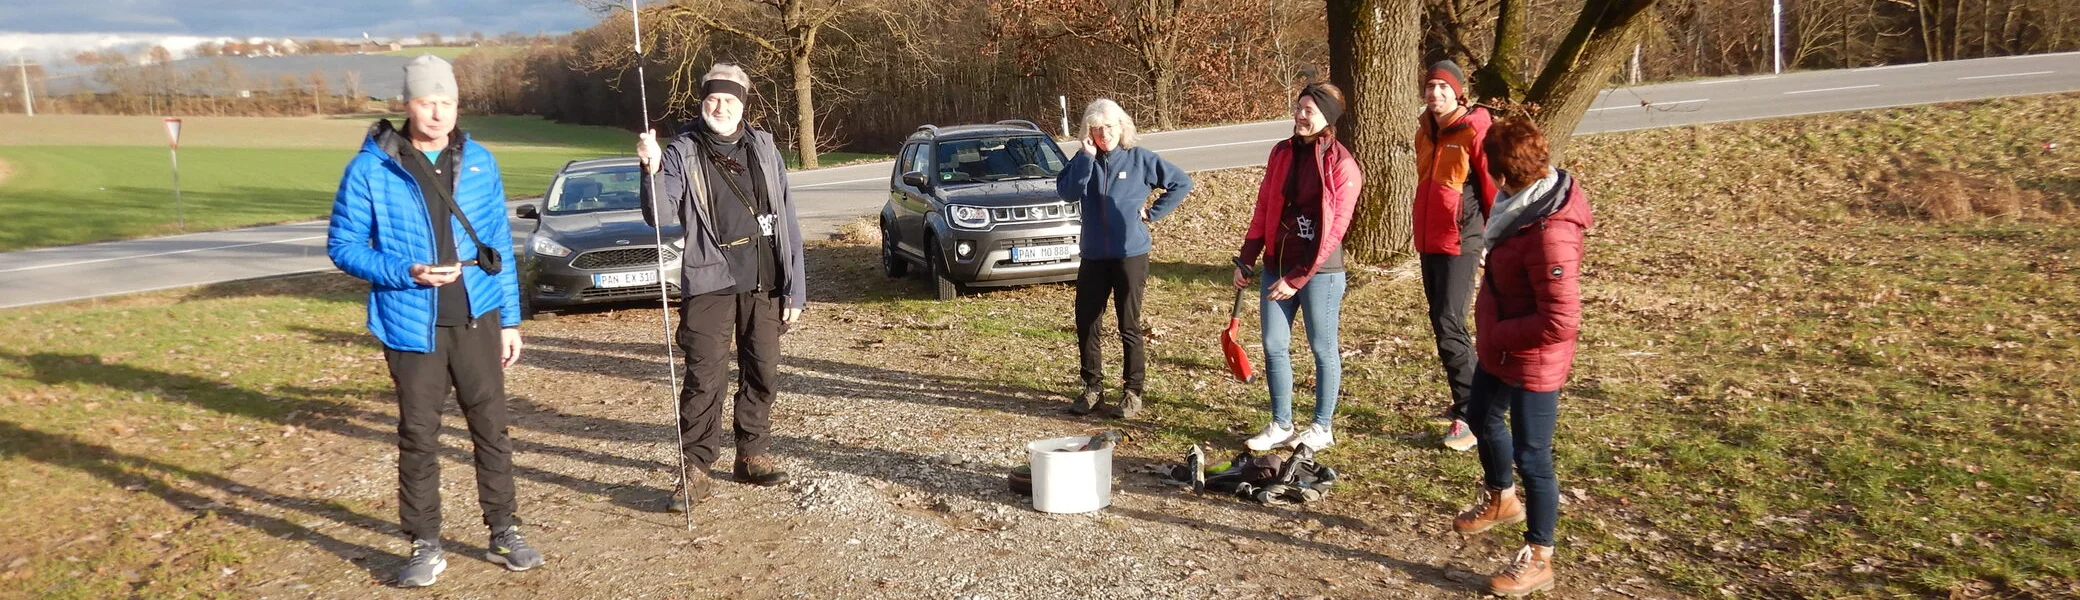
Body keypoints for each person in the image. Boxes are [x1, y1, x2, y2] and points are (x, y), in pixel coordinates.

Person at [325, 54, 543, 588]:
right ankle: (424, 542)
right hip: (409, 324)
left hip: (479, 318)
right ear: (408, 104)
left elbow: (498, 249)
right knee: (418, 435)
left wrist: (511, 320)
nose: (437, 113)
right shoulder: (371, 167)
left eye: (446, 102)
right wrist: (407, 272)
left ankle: (504, 529)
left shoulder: (480, 162)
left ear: (457, 105)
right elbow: (343, 246)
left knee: (491, 429)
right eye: (427, 102)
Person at [636, 63, 807, 513]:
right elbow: (659, 215)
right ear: (702, 101)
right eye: (713, 99)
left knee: (763, 372)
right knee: (703, 378)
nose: (721, 107)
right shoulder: (682, 150)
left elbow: (787, 218)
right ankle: (695, 470)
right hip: (710, 280)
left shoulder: (764, 146)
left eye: (730, 100)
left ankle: (750, 454)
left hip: (765, 279)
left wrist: (796, 289)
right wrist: (649, 167)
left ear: (743, 105)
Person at [1449, 117, 1592, 597]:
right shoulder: (1518, 206)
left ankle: (1540, 556)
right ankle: (1501, 498)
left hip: (1532, 356)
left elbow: (1560, 321)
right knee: (1480, 416)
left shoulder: (1551, 232)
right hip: (1501, 346)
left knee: (1534, 456)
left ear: (1501, 171)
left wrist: (1502, 334)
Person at [1233, 83, 1362, 452]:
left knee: (1323, 349)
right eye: (1299, 107)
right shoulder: (1281, 153)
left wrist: (1297, 278)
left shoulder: (1342, 163)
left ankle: (1322, 427)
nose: (1300, 115)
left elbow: (1334, 228)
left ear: (1327, 118)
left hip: (1319, 272)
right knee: (1274, 344)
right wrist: (1248, 256)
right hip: (1278, 265)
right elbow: (1264, 207)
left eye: (1309, 110)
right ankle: (1281, 424)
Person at [1054, 98, 1194, 418]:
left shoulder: (1139, 159)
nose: (1105, 134)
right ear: (1088, 132)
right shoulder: (1083, 160)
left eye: (1110, 126)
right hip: (1094, 255)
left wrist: (1152, 212)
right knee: (1087, 323)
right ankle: (1092, 389)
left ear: (1122, 127)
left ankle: (1132, 392)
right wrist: (1087, 157)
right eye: (1097, 128)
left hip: (1130, 254)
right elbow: (1068, 191)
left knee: (1128, 325)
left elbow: (1180, 182)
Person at [1413, 59, 1499, 452]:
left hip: (1463, 240)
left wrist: (1492, 243)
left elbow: (1493, 189)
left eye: (1444, 88)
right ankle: (1474, 397)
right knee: (1441, 322)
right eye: (1431, 87)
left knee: (1450, 323)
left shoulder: (1474, 129)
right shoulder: (1425, 132)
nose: (1436, 94)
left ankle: (1472, 414)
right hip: (1430, 240)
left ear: (1458, 92)